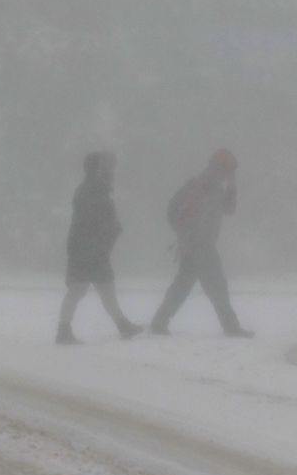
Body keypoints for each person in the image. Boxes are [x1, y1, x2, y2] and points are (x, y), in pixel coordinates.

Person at [150, 148, 253, 338]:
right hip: (201, 245)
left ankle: (159, 321)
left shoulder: (208, 184)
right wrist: (190, 234)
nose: (231, 174)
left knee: (183, 285)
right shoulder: (207, 185)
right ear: (221, 168)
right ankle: (231, 327)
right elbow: (225, 210)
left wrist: (231, 187)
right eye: (230, 170)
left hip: (192, 244)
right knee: (217, 285)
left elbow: (228, 209)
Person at [56, 151, 142, 345]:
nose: (111, 170)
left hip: (92, 248)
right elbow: (92, 220)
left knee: (104, 288)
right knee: (79, 289)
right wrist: (110, 229)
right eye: (107, 166)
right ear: (96, 169)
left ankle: (121, 324)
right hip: (87, 249)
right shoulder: (91, 190)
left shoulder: (95, 188)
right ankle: (63, 330)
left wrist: (110, 230)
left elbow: (97, 219)